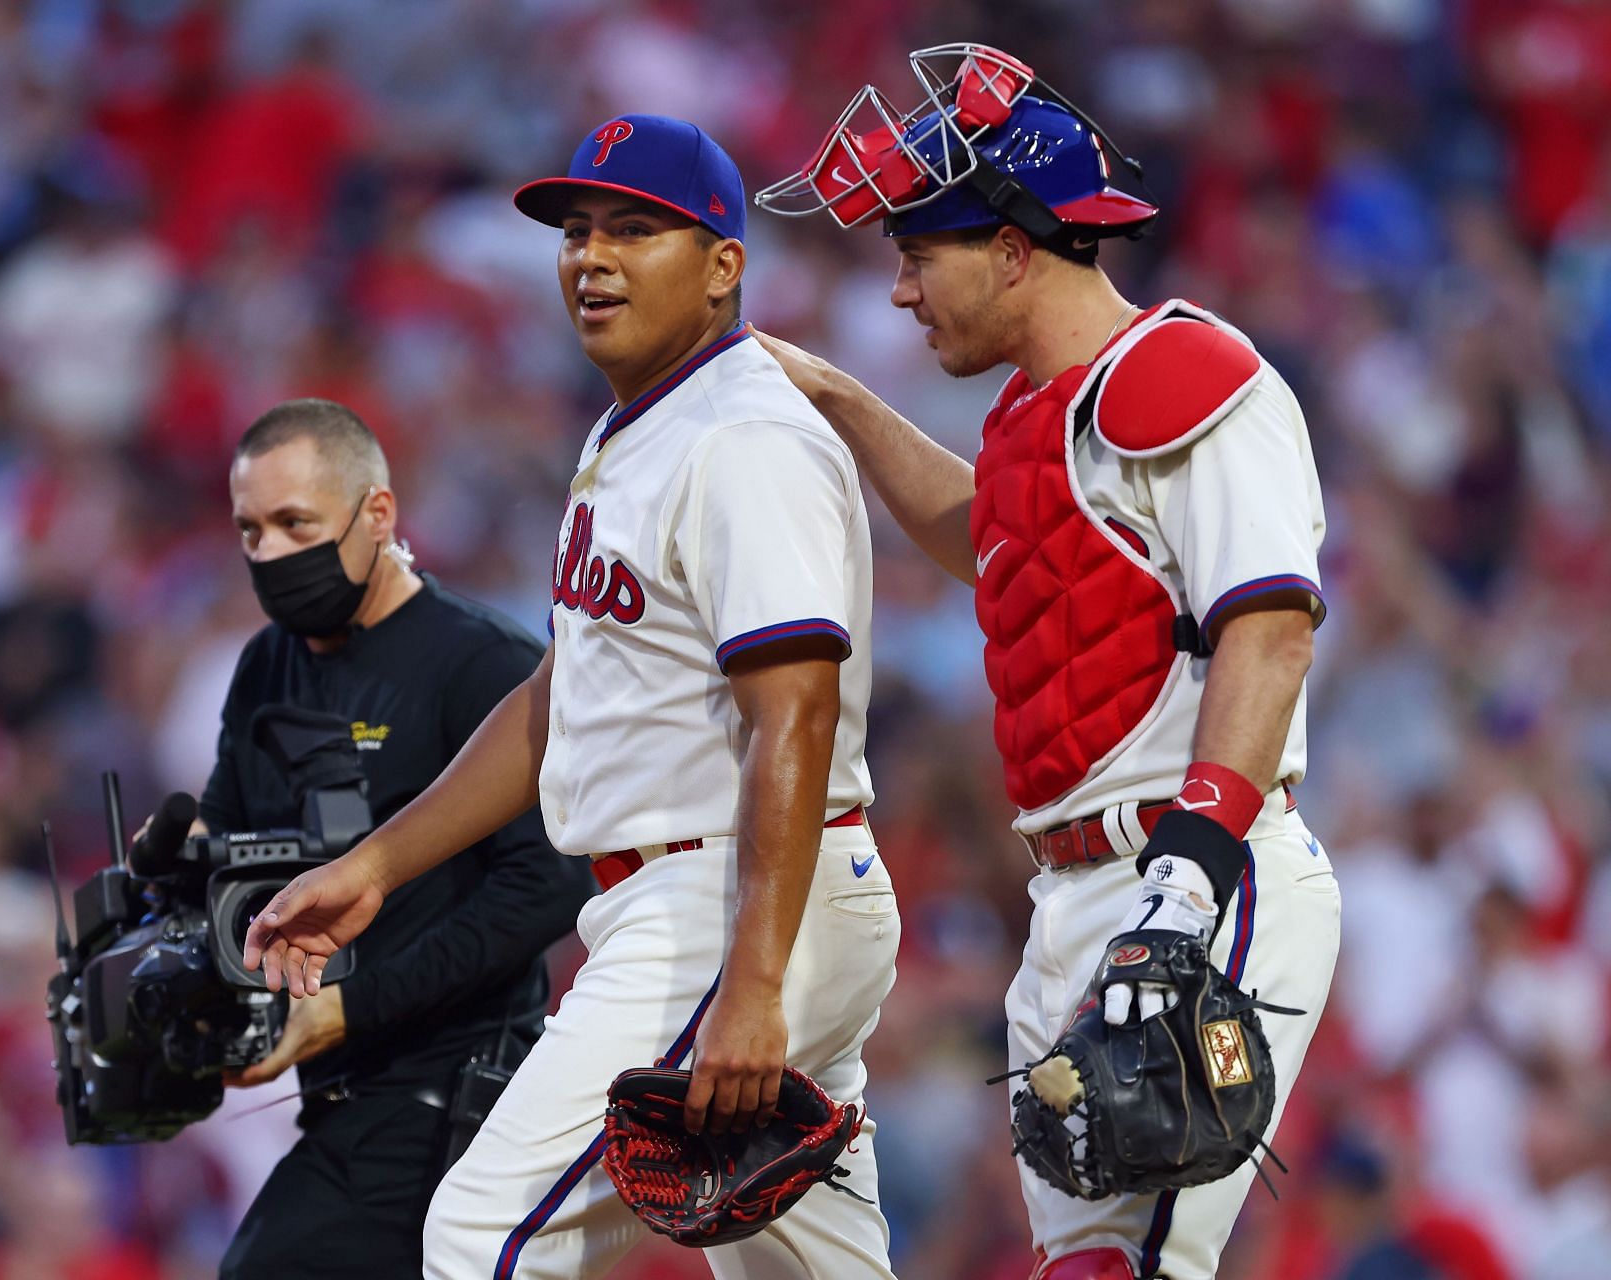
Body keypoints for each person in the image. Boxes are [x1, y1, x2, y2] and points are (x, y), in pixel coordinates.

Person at [243, 115, 901, 1279]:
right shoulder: (636, 428)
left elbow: (792, 712)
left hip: (730, 897)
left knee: (485, 1239)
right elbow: (564, 697)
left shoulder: (744, 435)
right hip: (717, 899)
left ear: (723, 266)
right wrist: (374, 867)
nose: (590, 257)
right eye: (576, 231)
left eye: (634, 230)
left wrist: (752, 980)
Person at [752, 43, 1342, 1280]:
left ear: (1015, 250)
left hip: (1192, 878)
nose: (903, 291)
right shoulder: (1034, 417)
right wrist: (836, 398)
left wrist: (1188, 881)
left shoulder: (1190, 375)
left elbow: (1271, 625)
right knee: (1081, 1266)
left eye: (919, 256)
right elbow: (1002, 546)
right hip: (1070, 898)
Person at [201, 399, 595, 1280]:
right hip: (338, 1102)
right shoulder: (267, 662)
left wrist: (350, 1007)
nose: (269, 552)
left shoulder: (481, 666)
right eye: (250, 530)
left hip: (454, 1102)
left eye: (295, 522)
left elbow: (548, 887)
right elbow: (226, 840)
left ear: (377, 513)